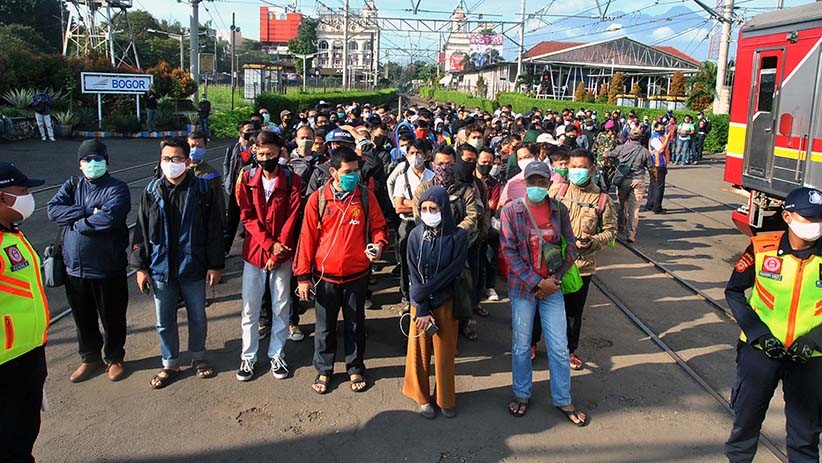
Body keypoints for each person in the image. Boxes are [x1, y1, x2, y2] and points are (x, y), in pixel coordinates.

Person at [724, 187, 822, 463]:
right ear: (788, 217)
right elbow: (734, 291)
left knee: (805, 435)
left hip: (810, 358)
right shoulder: (761, 247)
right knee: (746, 422)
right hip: (760, 352)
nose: (816, 225)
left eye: (820, 218)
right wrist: (758, 334)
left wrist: (815, 340)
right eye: (809, 218)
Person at [130, 137, 225, 389]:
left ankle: (198, 357)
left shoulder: (202, 190)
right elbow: (140, 231)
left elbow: (215, 229)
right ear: (160, 161)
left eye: (177, 159)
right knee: (164, 319)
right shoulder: (151, 191)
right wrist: (140, 267)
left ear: (187, 160)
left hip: (193, 266)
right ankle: (170, 362)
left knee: (197, 316)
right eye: (166, 159)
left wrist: (215, 265)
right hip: (160, 267)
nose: (172, 163)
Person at [294, 146, 388, 395]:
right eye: (348, 172)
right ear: (333, 172)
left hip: (357, 275)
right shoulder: (318, 199)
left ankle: (355, 367)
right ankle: (324, 369)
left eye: (357, 171)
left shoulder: (366, 197)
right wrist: (303, 277)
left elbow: (379, 227)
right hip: (325, 277)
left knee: (355, 324)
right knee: (324, 327)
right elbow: (306, 239)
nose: (354, 176)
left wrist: (378, 246)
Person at [499, 161, 588, 426]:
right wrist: (537, 283)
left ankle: (563, 398)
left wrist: (554, 280)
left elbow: (571, 247)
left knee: (560, 347)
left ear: (549, 184)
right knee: (521, 345)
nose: (537, 186)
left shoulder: (559, 210)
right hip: (523, 289)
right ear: (524, 183)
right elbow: (509, 252)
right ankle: (522, 393)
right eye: (532, 181)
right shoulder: (511, 211)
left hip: (553, 287)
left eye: (542, 182)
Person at [46, 139, 131, 383]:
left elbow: (108, 218)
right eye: (87, 160)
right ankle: (90, 358)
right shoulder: (72, 186)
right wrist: (86, 212)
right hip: (75, 269)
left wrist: (76, 220)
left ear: (106, 161)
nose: (92, 163)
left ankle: (114, 357)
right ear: (79, 164)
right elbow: (53, 210)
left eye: (97, 159)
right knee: (83, 318)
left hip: (107, 268)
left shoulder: (117, 188)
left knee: (112, 317)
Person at [234, 130, 302, 382]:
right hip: (254, 254)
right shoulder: (246, 178)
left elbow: (292, 216)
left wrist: (279, 249)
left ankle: (277, 353)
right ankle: (248, 356)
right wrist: (268, 245)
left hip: (282, 254)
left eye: (271, 154)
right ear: (254, 153)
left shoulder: (292, 180)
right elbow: (246, 216)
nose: (266, 159)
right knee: (250, 308)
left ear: (280, 153)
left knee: (281, 305)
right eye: (261, 154)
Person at [403, 186, 469, 419]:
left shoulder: (458, 236)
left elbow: (452, 271)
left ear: (445, 210)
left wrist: (423, 292)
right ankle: (421, 397)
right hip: (419, 305)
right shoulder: (414, 235)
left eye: (434, 208)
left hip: (446, 302)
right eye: (424, 209)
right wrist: (420, 305)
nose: (428, 213)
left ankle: (445, 398)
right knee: (419, 353)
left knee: (444, 353)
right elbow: (411, 270)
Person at [549, 149, 617, 370]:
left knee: (573, 313)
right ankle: (532, 344)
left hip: (581, 266)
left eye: (581, 167)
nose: (576, 171)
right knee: (543, 306)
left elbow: (610, 232)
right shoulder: (557, 191)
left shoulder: (602, 200)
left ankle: (570, 351)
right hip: (552, 263)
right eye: (573, 166)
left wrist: (592, 242)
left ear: (592, 170)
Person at [0, 163, 48, 462]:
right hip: (5, 363)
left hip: (27, 352)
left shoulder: (12, 233)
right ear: (2, 198)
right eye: (23, 191)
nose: (29, 196)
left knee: (24, 433)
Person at [412, 144, 480, 340]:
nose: (444, 168)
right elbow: (418, 216)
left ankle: (464, 322)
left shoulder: (465, 190)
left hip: (458, 244)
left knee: (463, 281)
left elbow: (472, 216)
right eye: (440, 164)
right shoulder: (423, 188)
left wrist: (456, 234)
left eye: (449, 164)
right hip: (429, 244)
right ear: (433, 164)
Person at [393, 139, 435, 306]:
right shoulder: (402, 179)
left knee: (427, 259)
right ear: (406, 155)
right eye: (412, 153)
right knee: (406, 259)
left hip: (429, 224)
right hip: (408, 224)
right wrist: (423, 204)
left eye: (419, 153)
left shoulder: (433, 176)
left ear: (425, 156)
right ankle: (405, 295)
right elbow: (398, 207)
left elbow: (437, 204)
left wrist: (411, 203)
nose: (415, 157)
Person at [607, 127, 657, 243]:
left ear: (629, 137)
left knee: (621, 204)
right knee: (634, 209)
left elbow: (609, 154)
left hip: (623, 180)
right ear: (641, 138)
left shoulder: (622, 148)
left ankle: (620, 227)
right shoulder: (644, 151)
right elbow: (651, 168)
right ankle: (631, 234)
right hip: (638, 181)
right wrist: (654, 180)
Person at [223, 121, 256, 255]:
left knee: (250, 219)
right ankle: (225, 248)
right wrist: (227, 181)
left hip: (250, 189)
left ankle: (249, 249)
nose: (250, 133)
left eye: (252, 130)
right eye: (248, 130)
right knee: (231, 220)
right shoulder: (233, 149)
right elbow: (226, 165)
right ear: (240, 133)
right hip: (235, 189)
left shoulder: (256, 149)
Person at [476, 147, 501, 302]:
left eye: (490, 162)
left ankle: (489, 286)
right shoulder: (470, 179)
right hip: (473, 225)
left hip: (488, 225)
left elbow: (492, 206)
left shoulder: (494, 183)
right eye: (484, 161)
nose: (487, 164)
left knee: (490, 255)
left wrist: (485, 207)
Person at [645, 121, 670, 214]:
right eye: (661, 128)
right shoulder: (655, 138)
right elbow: (661, 149)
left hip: (657, 164)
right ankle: (656, 207)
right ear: (655, 128)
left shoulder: (657, 137)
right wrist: (667, 139)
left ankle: (650, 204)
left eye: (663, 128)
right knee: (658, 186)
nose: (663, 129)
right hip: (658, 164)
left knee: (653, 184)